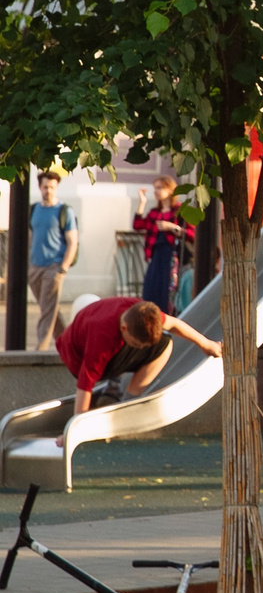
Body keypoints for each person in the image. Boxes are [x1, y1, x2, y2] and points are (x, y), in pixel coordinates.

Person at [57, 296, 219, 412]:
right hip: (76, 360)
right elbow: (85, 384)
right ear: (124, 328)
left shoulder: (141, 311)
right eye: (136, 344)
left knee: (165, 343)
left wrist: (207, 344)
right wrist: (75, 426)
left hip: (95, 340)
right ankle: (122, 397)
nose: (139, 348)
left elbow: (174, 324)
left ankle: (127, 394)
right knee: (160, 346)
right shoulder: (102, 340)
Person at [27, 169, 79, 349]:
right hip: (35, 266)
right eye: (45, 187)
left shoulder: (64, 211)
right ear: (40, 187)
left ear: (56, 188)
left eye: (52, 187)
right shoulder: (34, 209)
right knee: (49, 308)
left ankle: (40, 349)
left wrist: (63, 266)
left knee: (47, 310)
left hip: (54, 266)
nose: (48, 190)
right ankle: (68, 343)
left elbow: (72, 241)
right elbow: (30, 237)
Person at [134, 178, 192, 314]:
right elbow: (137, 225)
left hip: (173, 258)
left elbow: (191, 234)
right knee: (150, 290)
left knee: (168, 291)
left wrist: (172, 227)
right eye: (155, 188)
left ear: (170, 190)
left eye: (160, 188)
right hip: (156, 256)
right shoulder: (155, 212)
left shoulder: (180, 210)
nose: (156, 191)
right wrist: (142, 203)